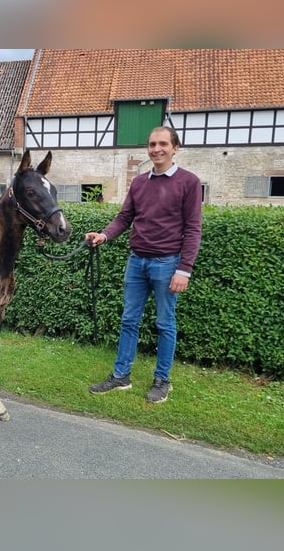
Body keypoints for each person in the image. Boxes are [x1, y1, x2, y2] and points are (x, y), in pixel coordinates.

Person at [85, 126, 202, 403]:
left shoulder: (189, 182)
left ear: (175, 148)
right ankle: (121, 376)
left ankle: (162, 380)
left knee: (165, 323)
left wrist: (184, 269)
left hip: (167, 263)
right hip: (137, 262)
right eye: (152, 144)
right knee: (128, 320)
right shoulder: (139, 183)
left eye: (163, 144)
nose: (156, 149)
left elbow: (194, 229)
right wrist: (104, 234)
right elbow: (124, 217)